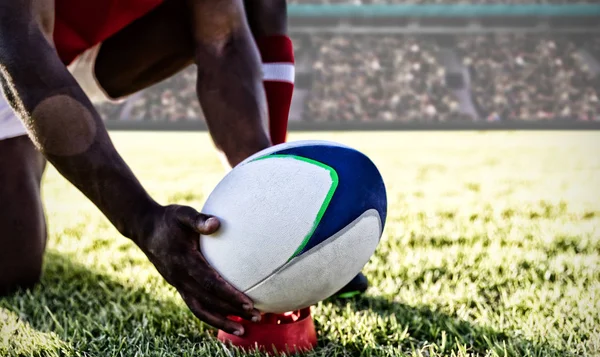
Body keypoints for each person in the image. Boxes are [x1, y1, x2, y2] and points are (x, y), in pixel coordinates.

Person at [0, 0, 366, 337]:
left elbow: (224, 38)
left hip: (86, 49)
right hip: (18, 53)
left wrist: (270, 205)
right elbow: (23, 51)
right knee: (13, 268)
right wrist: (143, 221)